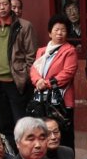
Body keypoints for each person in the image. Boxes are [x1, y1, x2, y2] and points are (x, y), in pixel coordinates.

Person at [0, 0, 38, 144]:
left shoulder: (24, 26)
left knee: (21, 121)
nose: (2, 8)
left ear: (10, 5)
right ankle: (10, 153)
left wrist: (26, 77)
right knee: (3, 121)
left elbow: (32, 55)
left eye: (5, 4)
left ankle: (25, 151)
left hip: (16, 81)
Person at [31, 14, 78, 149]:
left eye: (63, 30)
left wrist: (45, 83)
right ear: (50, 32)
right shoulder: (41, 51)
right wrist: (38, 81)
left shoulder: (70, 50)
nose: (59, 33)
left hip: (61, 101)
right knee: (43, 133)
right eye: (56, 29)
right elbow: (33, 69)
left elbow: (67, 73)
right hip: (43, 100)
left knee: (64, 136)